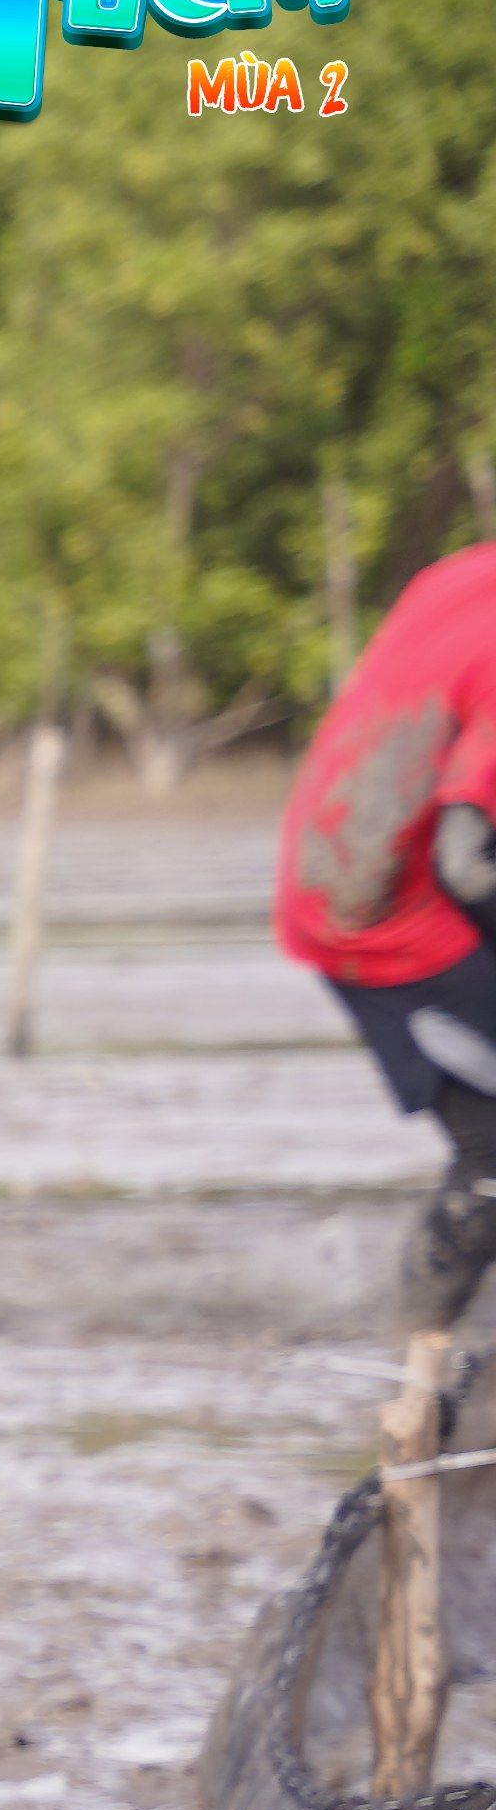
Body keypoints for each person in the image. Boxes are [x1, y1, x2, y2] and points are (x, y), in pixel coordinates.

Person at [274, 540, 496, 1337]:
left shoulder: (464, 570)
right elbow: (469, 864)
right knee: (493, 1150)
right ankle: (416, 1368)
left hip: (331, 866)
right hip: (380, 911)